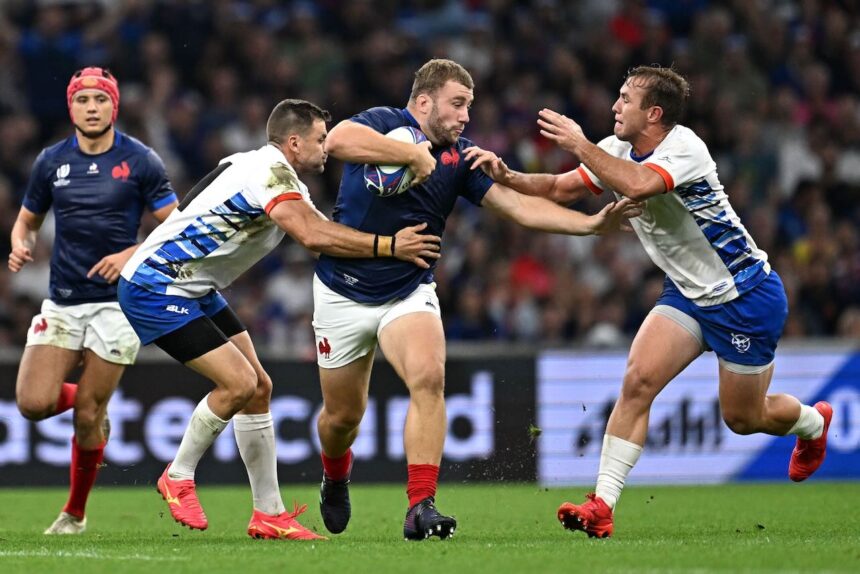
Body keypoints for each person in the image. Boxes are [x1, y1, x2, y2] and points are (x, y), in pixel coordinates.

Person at [466, 65, 832, 538]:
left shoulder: (685, 148)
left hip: (744, 295)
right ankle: (602, 504)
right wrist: (508, 174)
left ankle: (812, 423)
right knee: (637, 381)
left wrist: (580, 144)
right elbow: (562, 188)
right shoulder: (617, 149)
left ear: (653, 113)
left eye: (624, 99)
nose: (615, 106)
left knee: (744, 418)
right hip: (686, 295)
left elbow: (638, 184)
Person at [313, 58, 640, 541]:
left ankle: (420, 506)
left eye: (470, 106)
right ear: (424, 102)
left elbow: (520, 207)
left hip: (408, 289)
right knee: (342, 418)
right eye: (458, 104)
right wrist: (410, 156)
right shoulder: (384, 123)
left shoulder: (462, 159)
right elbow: (336, 141)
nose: (466, 116)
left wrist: (591, 226)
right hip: (342, 291)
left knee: (428, 378)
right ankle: (335, 475)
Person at [117, 98, 442, 541]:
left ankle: (268, 513)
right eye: (320, 140)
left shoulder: (272, 174)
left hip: (191, 286)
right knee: (238, 385)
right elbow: (312, 236)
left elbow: (316, 229)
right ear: (294, 142)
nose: (327, 149)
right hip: (155, 286)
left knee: (259, 388)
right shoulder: (268, 174)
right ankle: (178, 474)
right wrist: (389, 245)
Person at [8, 67, 178, 535]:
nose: (91, 107)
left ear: (113, 106)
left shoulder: (140, 160)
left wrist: (128, 255)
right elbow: (26, 221)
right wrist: (20, 243)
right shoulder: (50, 161)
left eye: (99, 100)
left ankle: (74, 514)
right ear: (71, 106)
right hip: (63, 301)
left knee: (86, 416)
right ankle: (93, 406)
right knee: (32, 402)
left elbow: (175, 226)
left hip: (117, 305)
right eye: (82, 100)